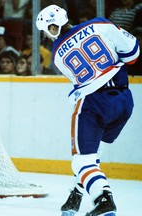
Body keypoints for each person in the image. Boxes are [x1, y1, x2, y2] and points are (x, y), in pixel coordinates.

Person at [36, 4, 140, 216]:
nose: (48, 34)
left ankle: (103, 200)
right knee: (93, 154)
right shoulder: (100, 24)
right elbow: (133, 55)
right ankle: (76, 193)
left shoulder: (57, 54)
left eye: (48, 30)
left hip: (94, 103)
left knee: (82, 160)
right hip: (124, 100)